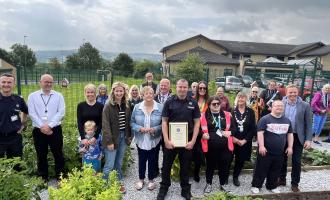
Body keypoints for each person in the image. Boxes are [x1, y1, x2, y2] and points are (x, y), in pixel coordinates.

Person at [157, 79, 200, 200]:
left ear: (188, 88)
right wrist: (166, 139)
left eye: (184, 87)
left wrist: (193, 141)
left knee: (185, 166)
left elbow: (197, 123)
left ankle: (185, 189)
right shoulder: (169, 102)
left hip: (187, 141)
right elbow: (164, 122)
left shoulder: (193, 103)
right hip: (171, 141)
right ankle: (164, 188)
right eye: (180, 87)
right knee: (166, 166)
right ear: (176, 87)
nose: (182, 89)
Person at [28, 74, 65, 181]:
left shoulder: (59, 96)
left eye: (50, 82)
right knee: (41, 154)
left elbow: (61, 112)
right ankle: (42, 178)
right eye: (46, 82)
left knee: (58, 153)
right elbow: (32, 113)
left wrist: (49, 125)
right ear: (40, 82)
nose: (48, 84)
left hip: (55, 130)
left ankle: (61, 177)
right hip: (38, 130)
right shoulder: (32, 96)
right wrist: (42, 126)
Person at [251, 100, 293, 194]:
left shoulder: (287, 121)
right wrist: (261, 146)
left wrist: (290, 147)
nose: (279, 108)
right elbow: (260, 133)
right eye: (277, 106)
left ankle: (272, 186)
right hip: (265, 150)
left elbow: (290, 134)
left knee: (276, 169)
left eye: (281, 106)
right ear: (272, 107)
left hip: (280, 152)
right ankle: (256, 185)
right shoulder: (265, 119)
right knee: (261, 168)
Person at [279, 84, 312, 192]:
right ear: (286, 93)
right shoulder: (281, 103)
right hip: (283, 135)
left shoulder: (305, 105)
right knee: (282, 159)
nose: (292, 94)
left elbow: (308, 123)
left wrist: (308, 139)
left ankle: (294, 183)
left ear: (298, 92)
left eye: (294, 92)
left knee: (296, 161)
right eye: (290, 92)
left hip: (298, 136)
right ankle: (282, 179)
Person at [202, 96, 236, 194]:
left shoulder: (227, 115)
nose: (216, 105)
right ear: (209, 105)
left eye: (218, 103)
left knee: (224, 166)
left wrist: (231, 133)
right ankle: (209, 184)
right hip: (210, 147)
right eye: (214, 104)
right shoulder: (204, 115)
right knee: (210, 166)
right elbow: (198, 129)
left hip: (225, 147)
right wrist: (202, 135)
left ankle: (223, 184)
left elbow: (234, 129)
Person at [131, 86, 163, 191]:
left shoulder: (160, 107)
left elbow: (164, 124)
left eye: (151, 93)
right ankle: (141, 179)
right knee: (142, 159)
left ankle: (151, 180)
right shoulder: (137, 107)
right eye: (146, 93)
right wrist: (139, 128)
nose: (149, 95)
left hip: (154, 139)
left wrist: (155, 129)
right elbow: (132, 122)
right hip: (141, 139)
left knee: (153, 159)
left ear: (153, 94)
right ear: (142, 95)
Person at [102, 82, 132, 194]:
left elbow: (129, 122)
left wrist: (130, 136)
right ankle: (103, 185)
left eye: (121, 91)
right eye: (117, 91)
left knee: (118, 163)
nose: (119, 93)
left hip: (123, 137)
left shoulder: (126, 104)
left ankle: (117, 183)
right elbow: (105, 125)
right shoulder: (108, 105)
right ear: (113, 92)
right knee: (109, 164)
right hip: (112, 138)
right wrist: (109, 141)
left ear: (124, 92)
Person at [0, 73, 28, 158]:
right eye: (3, 82)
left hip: (15, 137)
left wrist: (22, 124)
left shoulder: (19, 99)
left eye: (9, 82)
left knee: (17, 164)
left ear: (14, 84)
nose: (6, 84)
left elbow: (25, 111)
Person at [232, 92, 256, 187]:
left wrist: (245, 140)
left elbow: (252, 128)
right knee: (228, 159)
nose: (241, 99)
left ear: (246, 99)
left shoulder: (250, 112)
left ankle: (235, 176)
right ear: (236, 99)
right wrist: (233, 138)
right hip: (232, 140)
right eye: (239, 97)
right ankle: (224, 176)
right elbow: (227, 126)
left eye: (243, 98)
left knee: (240, 160)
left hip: (245, 141)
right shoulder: (231, 111)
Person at [154, 78, 172, 176]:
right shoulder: (154, 97)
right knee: (155, 151)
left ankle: (165, 170)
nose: (163, 87)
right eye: (161, 85)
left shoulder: (173, 98)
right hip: (156, 128)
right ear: (159, 86)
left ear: (169, 86)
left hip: (168, 129)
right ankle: (155, 170)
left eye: (165, 85)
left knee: (167, 151)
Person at [77, 84, 104, 150]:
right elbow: (79, 122)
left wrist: (95, 137)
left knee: (96, 154)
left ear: (95, 93)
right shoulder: (81, 105)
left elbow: (101, 122)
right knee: (85, 154)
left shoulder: (100, 106)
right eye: (88, 92)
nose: (90, 94)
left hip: (97, 134)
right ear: (85, 93)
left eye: (92, 92)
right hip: (84, 134)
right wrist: (83, 138)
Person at [192, 81, 209, 182]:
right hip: (194, 130)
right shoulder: (192, 100)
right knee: (193, 152)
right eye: (200, 88)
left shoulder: (209, 101)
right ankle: (191, 172)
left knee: (202, 152)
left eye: (204, 88)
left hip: (206, 130)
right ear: (197, 89)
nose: (202, 90)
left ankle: (198, 172)